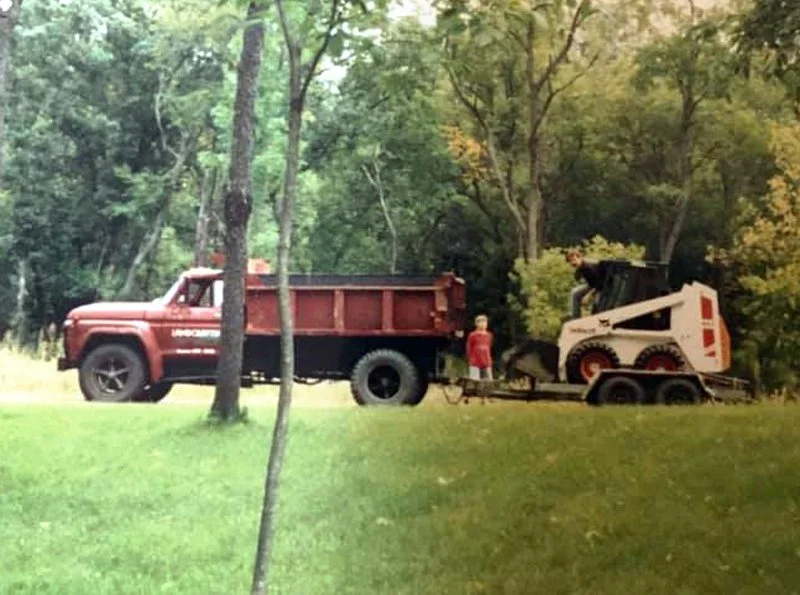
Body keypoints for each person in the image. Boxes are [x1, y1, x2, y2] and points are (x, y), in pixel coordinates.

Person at [566, 249, 603, 319]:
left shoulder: (588, 267)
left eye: (574, 260)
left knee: (597, 302)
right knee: (575, 293)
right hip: (592, 285)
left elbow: (599, 283)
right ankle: (576, 318)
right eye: (570, 261)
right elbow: (579, 278)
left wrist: (589, 295)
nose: (573, 262)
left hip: (603, 286)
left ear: (580, 258)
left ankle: (597, 319)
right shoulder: (580, 267)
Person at [466, 314, 494, 380]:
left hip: (486, 360)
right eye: (481, 322)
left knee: (488, 380)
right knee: (474, 379)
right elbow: (469, 347)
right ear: (476, 324)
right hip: (475, 360)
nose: (483, 324)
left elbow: (489, 346)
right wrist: (470, 358)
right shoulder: (472, 335)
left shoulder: (489, 335)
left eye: (485, 322)